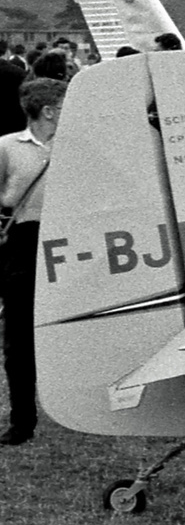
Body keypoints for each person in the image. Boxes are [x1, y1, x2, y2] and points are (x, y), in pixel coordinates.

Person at [0, 78, 66, 445]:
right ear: (49, 111)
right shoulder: (7, 147)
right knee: (20, 339)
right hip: (24, 244)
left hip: (70, 242)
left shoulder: (78, 148)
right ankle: (22, 420)